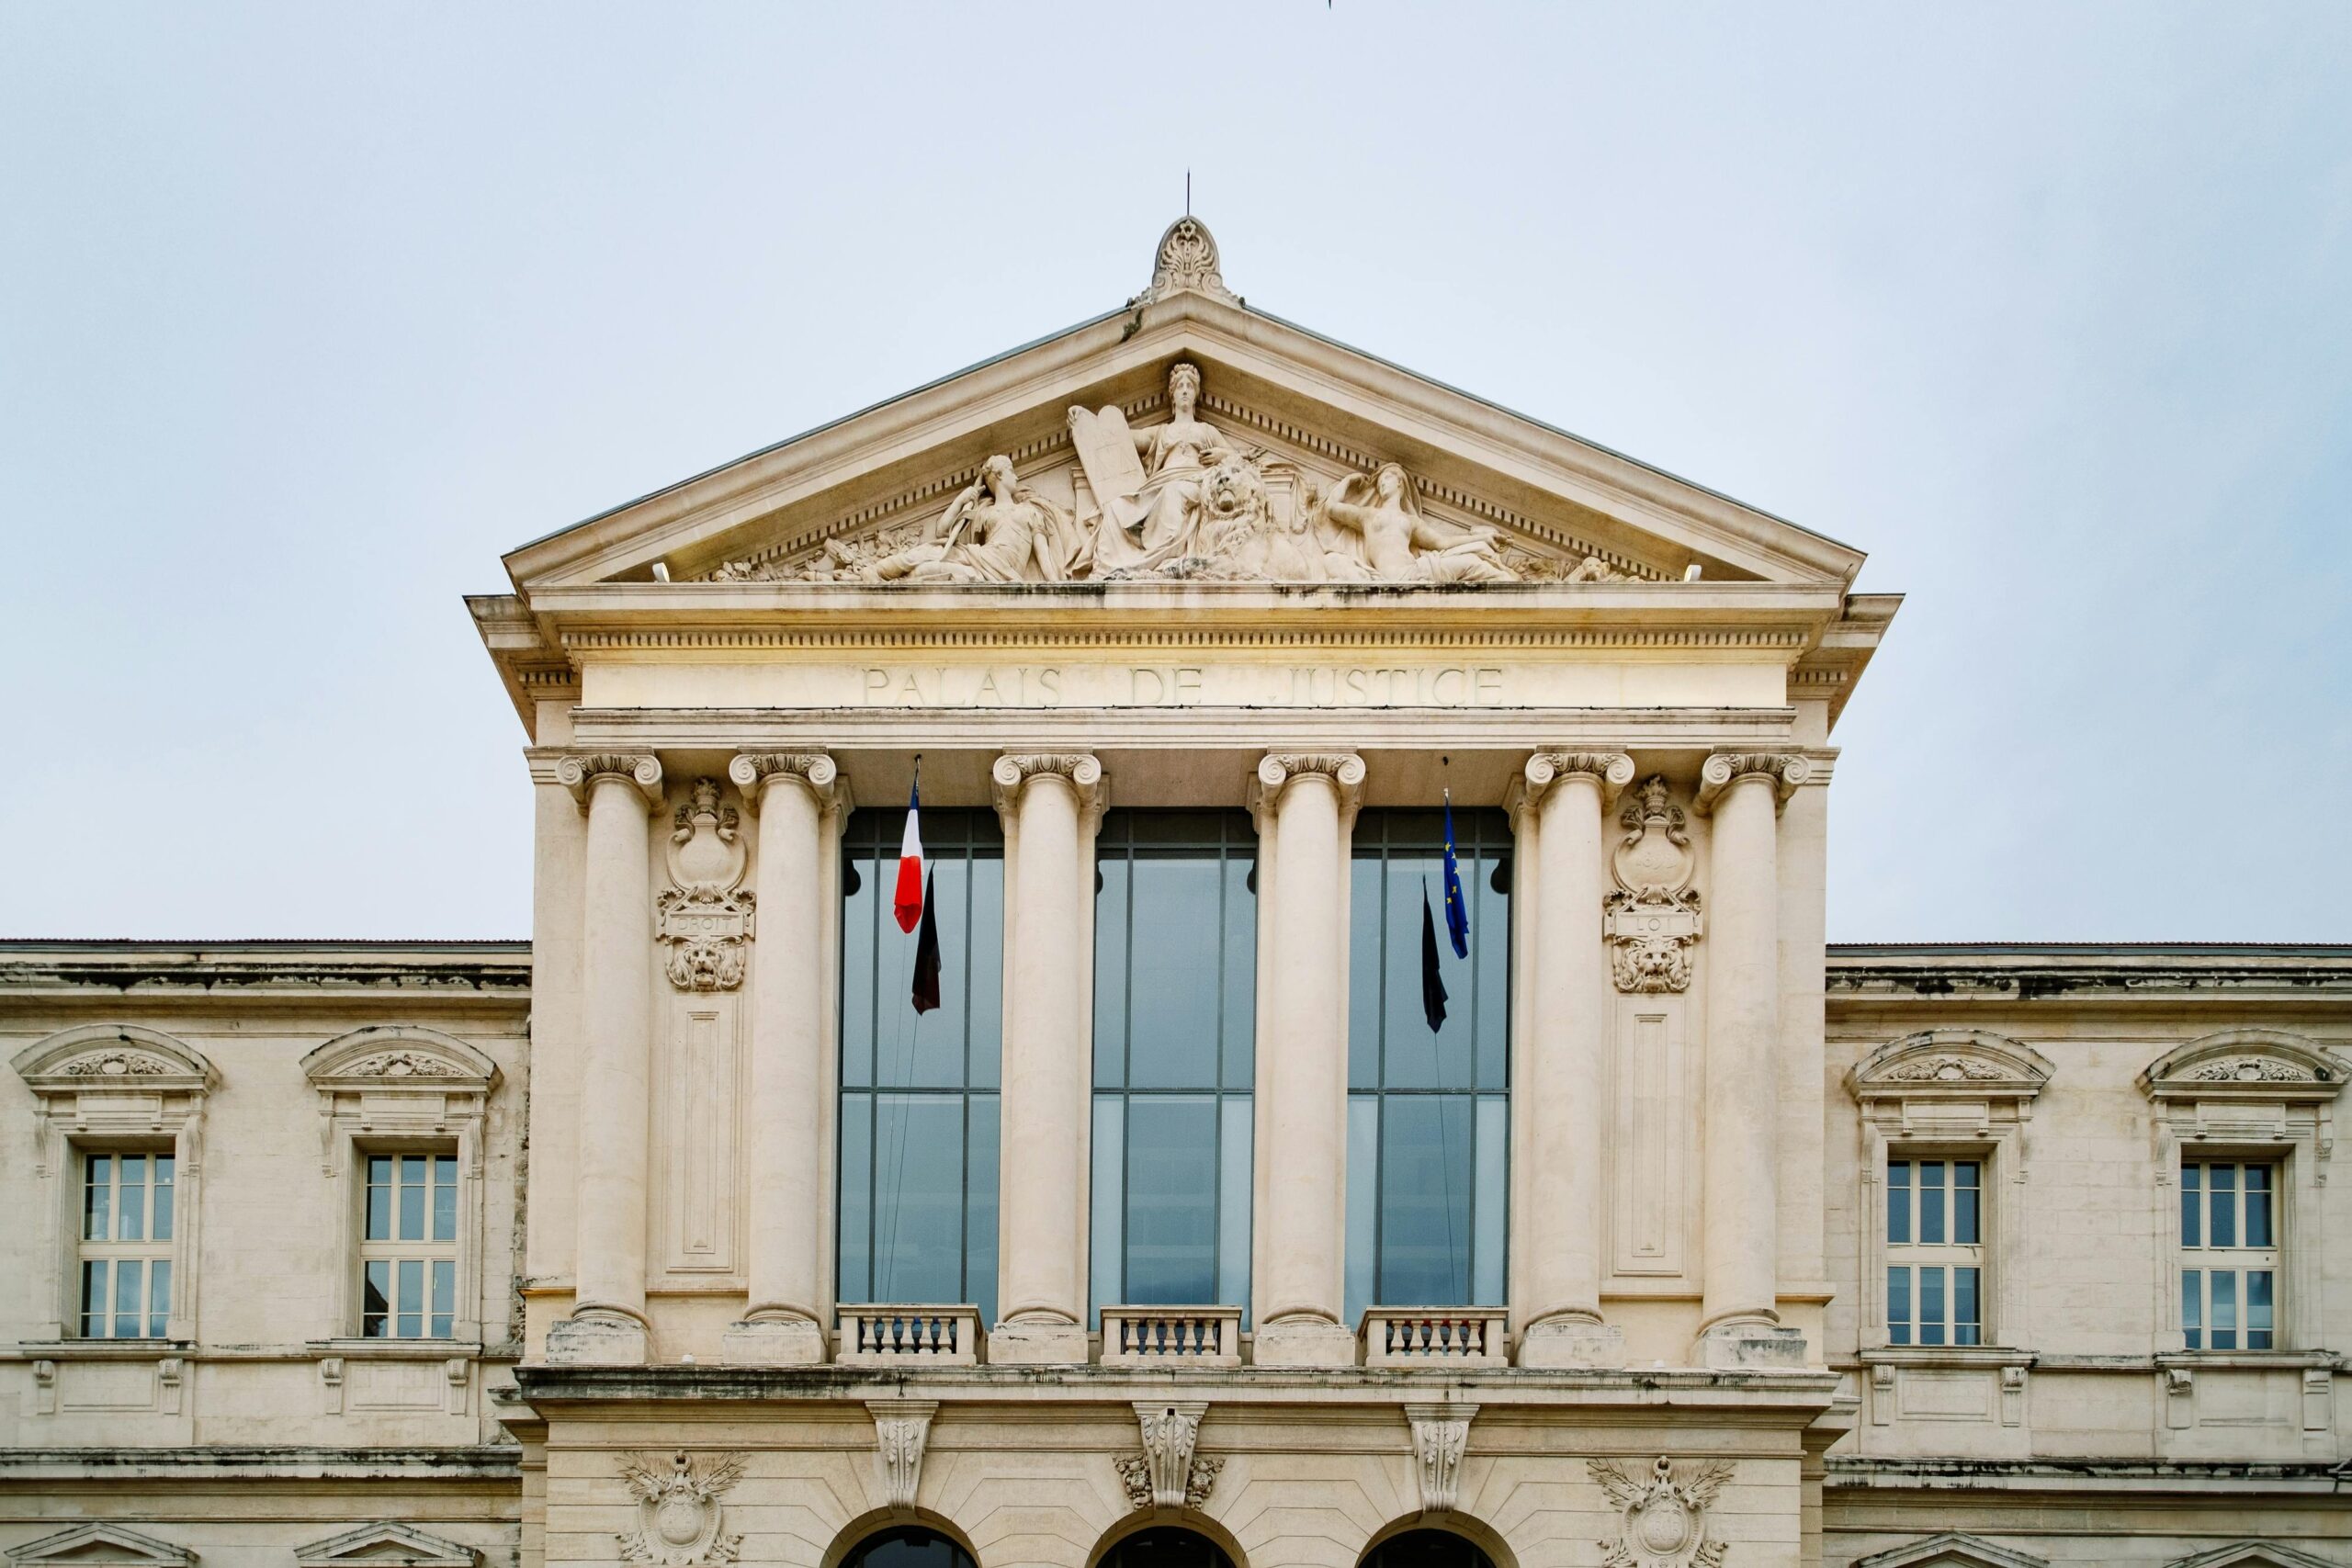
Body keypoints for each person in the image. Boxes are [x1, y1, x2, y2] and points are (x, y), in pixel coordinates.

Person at [1319, 462, 1515, 583]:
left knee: (1471, 562)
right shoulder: (1368, 516)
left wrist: (1484, 538)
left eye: (1387, 478)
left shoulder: (1410, 521)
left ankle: (1511, 587)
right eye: (1379, 483)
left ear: (1400, 483)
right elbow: (1331, 508)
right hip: (1391, 578)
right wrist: (1348, 480)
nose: (1382, 484)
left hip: (1417, 572)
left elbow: (1442, 543)